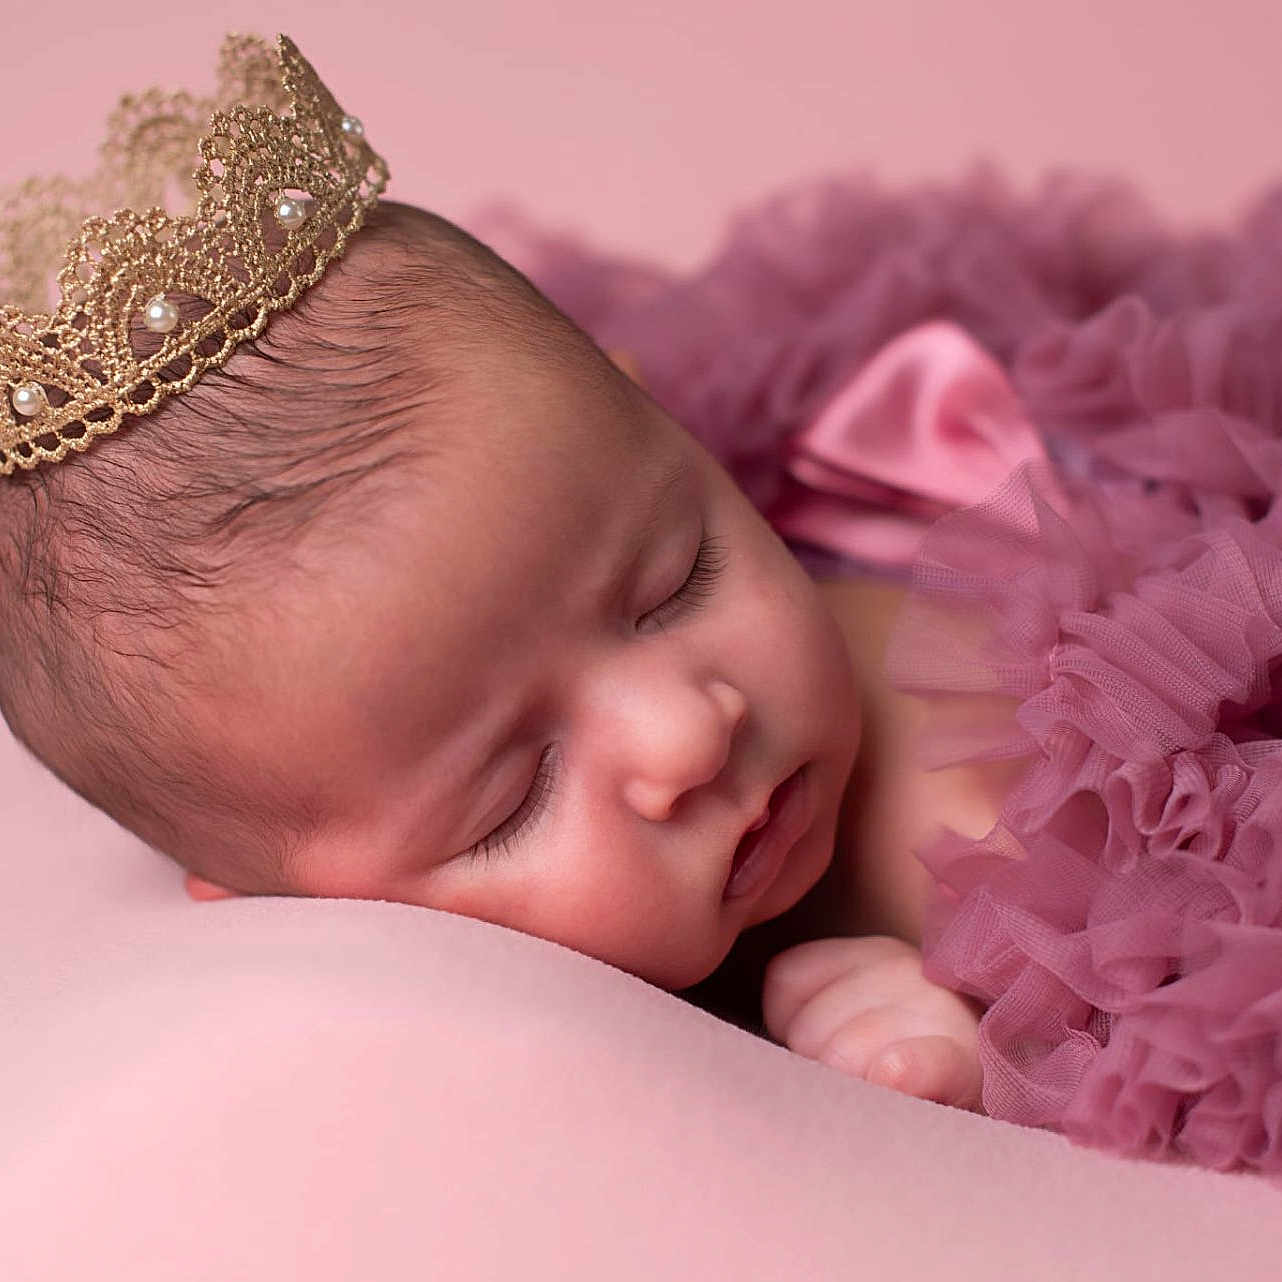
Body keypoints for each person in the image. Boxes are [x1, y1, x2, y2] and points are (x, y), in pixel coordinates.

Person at [0, 35, 991, 1116]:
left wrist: (1009, 1028)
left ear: (670, 425)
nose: (687, 736)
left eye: (675, 581)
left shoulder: (975, 757)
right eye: (513, 798)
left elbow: (1178, 973)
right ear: (290, 906)